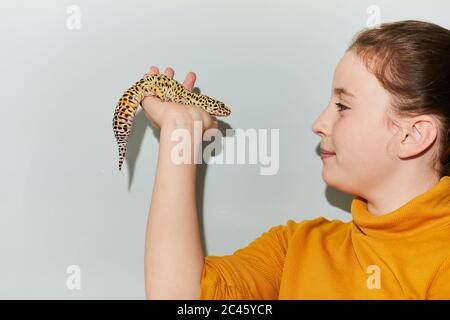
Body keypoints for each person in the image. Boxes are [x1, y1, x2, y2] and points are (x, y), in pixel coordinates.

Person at [142, 20, 450, 299]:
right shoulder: (295, 247)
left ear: (412, 136)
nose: (318, 123)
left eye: (342, 106)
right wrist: (179, 132)